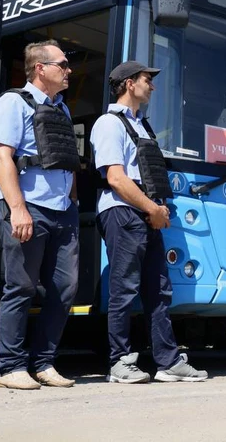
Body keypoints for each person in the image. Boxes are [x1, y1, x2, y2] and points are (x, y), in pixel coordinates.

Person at [91, 61, 207, 383]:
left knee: (158, 289)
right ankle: (119, 362)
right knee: (124, 289)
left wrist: (158, 208)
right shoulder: (109, 124)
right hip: (123, 211)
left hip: (145, 212)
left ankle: (168, 362)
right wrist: (152, 210)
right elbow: (116, 178)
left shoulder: (143, 126)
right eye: (146, 80)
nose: (152, 86)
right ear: (129, 84)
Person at [0, 40, 80, 390]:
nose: (69, 70)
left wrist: (72, 200)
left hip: (60, 211)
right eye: (63, 64)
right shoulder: (12, 103)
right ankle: (10, 368)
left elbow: (65, 159)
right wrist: (18, 209)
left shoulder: (62, 110)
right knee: (21, 285)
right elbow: (0, 158)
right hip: (25, 206)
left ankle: (43, 363)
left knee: (65, 288)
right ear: (41, 68)